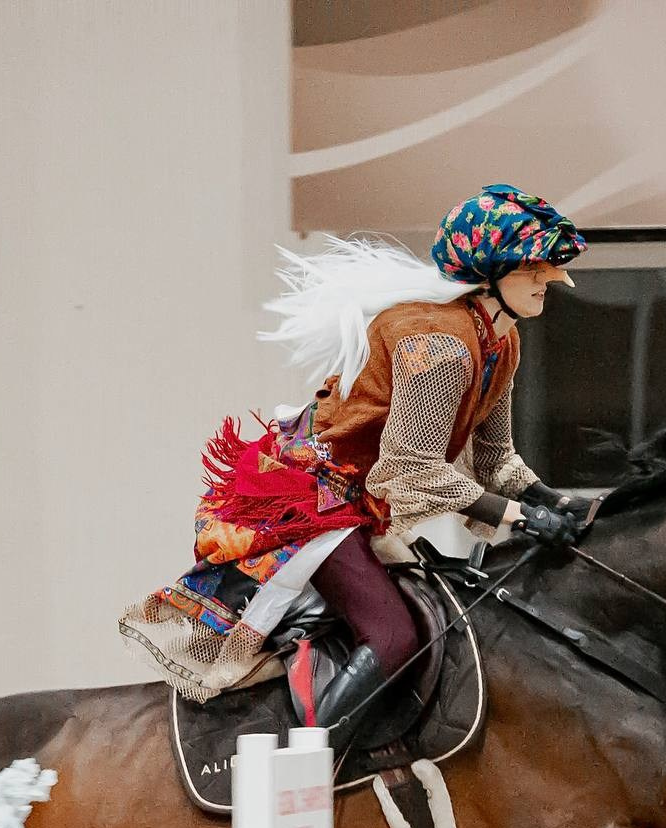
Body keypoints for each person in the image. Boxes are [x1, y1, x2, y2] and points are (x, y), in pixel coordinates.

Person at [121, 184, 594, 726]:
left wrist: (556, 502)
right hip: (314, 503)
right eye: (533, 266)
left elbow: (494, 462)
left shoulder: (502, 342)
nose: (549, 278)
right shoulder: (440, 343)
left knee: (441, 605)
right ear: (489, 272)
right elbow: (410, 469)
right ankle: (307, 760)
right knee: (393, 637)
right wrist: (520, 516)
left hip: (357, 504)